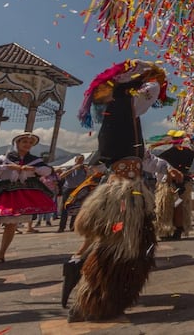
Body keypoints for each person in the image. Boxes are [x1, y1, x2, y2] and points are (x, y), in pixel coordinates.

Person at [65, 59, 171, 321]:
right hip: (126, 194)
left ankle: (79, 277)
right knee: (123, 244)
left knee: (109, 239)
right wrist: (142, 71)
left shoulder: (114, 115)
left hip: (121, 188)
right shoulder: (126, 105)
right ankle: (94, 298)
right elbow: (154, 87)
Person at [0, 132, 56, 265]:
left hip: (21, 192)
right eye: (25, 142)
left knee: (11, 225)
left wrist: (34, 169)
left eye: (30, 143)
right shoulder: (5, 157)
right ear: (17, 143)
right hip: (3, 192)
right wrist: (7, 166)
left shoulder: (34, 160)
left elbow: (48, 171)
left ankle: (1, 254)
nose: (27, 145)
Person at [153, 132, 194, 241]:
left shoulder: (166, 154)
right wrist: (191, 143)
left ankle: (166, 230)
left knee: (166, 207)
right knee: (179, 206)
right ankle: (178, 230)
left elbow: (160, 170)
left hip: (169, 184)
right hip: (183, 184)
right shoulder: (189, 153)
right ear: (182, 140)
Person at [57, 155, 88, 233]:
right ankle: (62, 227)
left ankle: (72, 226)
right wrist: (73, 169)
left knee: (76, 208)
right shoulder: (70, 167)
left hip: (79, 190)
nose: (80, 161)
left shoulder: (83, 169)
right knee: (65, 207)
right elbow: (61, 176)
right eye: (79, 160)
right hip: (69, 190)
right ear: (75, 160)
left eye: (82, 160)